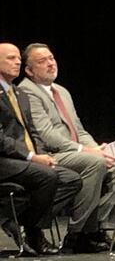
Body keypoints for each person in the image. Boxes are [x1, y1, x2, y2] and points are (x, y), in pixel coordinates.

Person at [18, 43, 115, 253]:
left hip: (75, 150)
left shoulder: (61, 91)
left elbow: (79, 129)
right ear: (29, 70)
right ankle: (76, 233)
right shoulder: (27, 90)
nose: (50, 63)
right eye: (42, 61)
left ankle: (97, 228)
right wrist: (87, 152)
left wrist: (96, 147)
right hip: (52, 154)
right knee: (95, 162)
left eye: (51, 58)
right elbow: (46, 135)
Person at [0, 43, 82, 256]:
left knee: (71, 179)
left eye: (19, 58)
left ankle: (18, 221)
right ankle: (33, 231)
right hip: (4, 159)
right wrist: (31, 157)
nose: (17, 62)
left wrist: (41, 154)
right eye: (10, 58)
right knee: (46, 176)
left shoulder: (19, 93)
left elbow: (32, 133)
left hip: (24, 158)